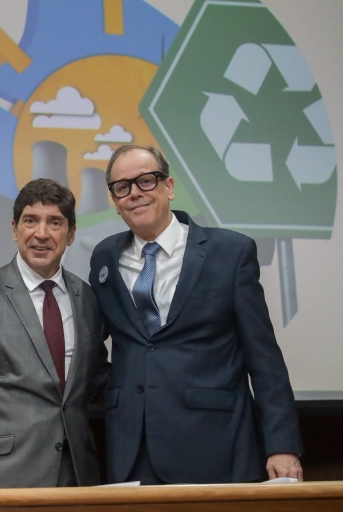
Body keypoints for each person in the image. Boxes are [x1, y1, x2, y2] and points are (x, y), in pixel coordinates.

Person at [90, 144, 303, 484]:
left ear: (169, 187)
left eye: (146, 181)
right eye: (122, 187)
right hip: (132, 449)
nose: (134, 193)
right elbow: (93, 342)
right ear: (115, 201)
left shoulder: (231, 253)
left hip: (215, 444)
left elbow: (264, 360)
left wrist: (282, 446)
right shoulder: (104, 258)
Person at [0, 179, 109, 489]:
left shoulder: (90, 300)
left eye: (55, 222)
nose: (41, 234)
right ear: (14, 229)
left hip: (78, 482)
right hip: (0, 485)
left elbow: (95, 383)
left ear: (71, 234)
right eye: (30, 221)